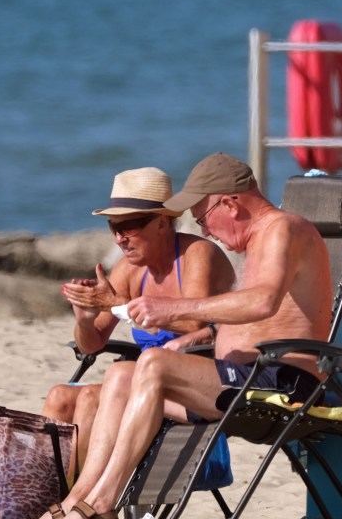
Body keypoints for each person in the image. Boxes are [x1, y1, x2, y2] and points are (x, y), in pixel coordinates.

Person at [31, 152, 333, 519]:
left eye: (203, 217)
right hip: (242, 379)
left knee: (153, 362)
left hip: (284, 383)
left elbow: (262, 302)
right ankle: (79, 501)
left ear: (230, 203)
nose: (205, 231)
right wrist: (195, 334)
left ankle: (102, 504)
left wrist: (173, 309)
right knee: (121, 375)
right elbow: (234, 320)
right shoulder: (260, 241)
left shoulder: (282, 228)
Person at [40, 167, 235, 482]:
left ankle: (80, 499)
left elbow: (193, 319)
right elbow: (91, 345)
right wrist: (85, 319)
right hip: (143, 376)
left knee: (91, 397)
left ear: (161, 222)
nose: (119, 237)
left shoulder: (197, 254)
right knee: (59, 396)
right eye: (113, 226)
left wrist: (118, 306)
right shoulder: (130, 270)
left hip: (194, 384)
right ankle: (45, 493)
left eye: (128, 225)